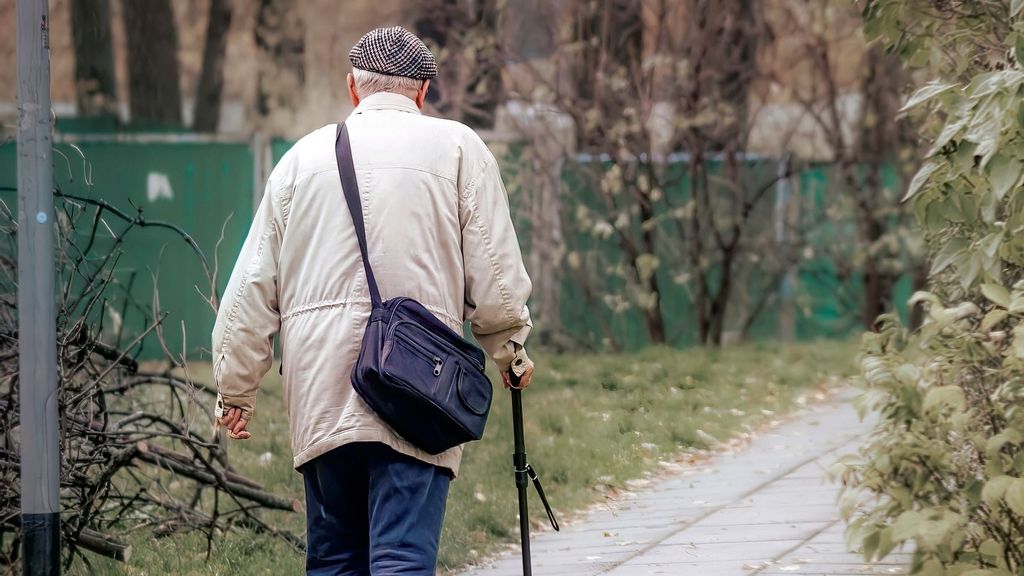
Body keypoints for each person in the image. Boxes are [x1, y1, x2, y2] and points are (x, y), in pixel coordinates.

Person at [211, 25, 535, 575]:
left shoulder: (299, 160)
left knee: (334, 560)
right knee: (402, 557)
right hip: (417, 386)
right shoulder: (458, 148)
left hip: (320, 387)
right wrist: (511, 352)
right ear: (423, 91)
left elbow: (251, 289)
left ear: (353, 89)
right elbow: (496, 274)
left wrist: (235, 389)